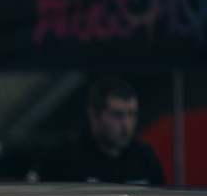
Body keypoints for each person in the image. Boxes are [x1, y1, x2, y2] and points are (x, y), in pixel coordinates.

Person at [34, 76, 166, 185]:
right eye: (117, 115)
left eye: (132, 114)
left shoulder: (144, 157)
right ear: (93, 115)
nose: (127, 125)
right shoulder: (65, 158)